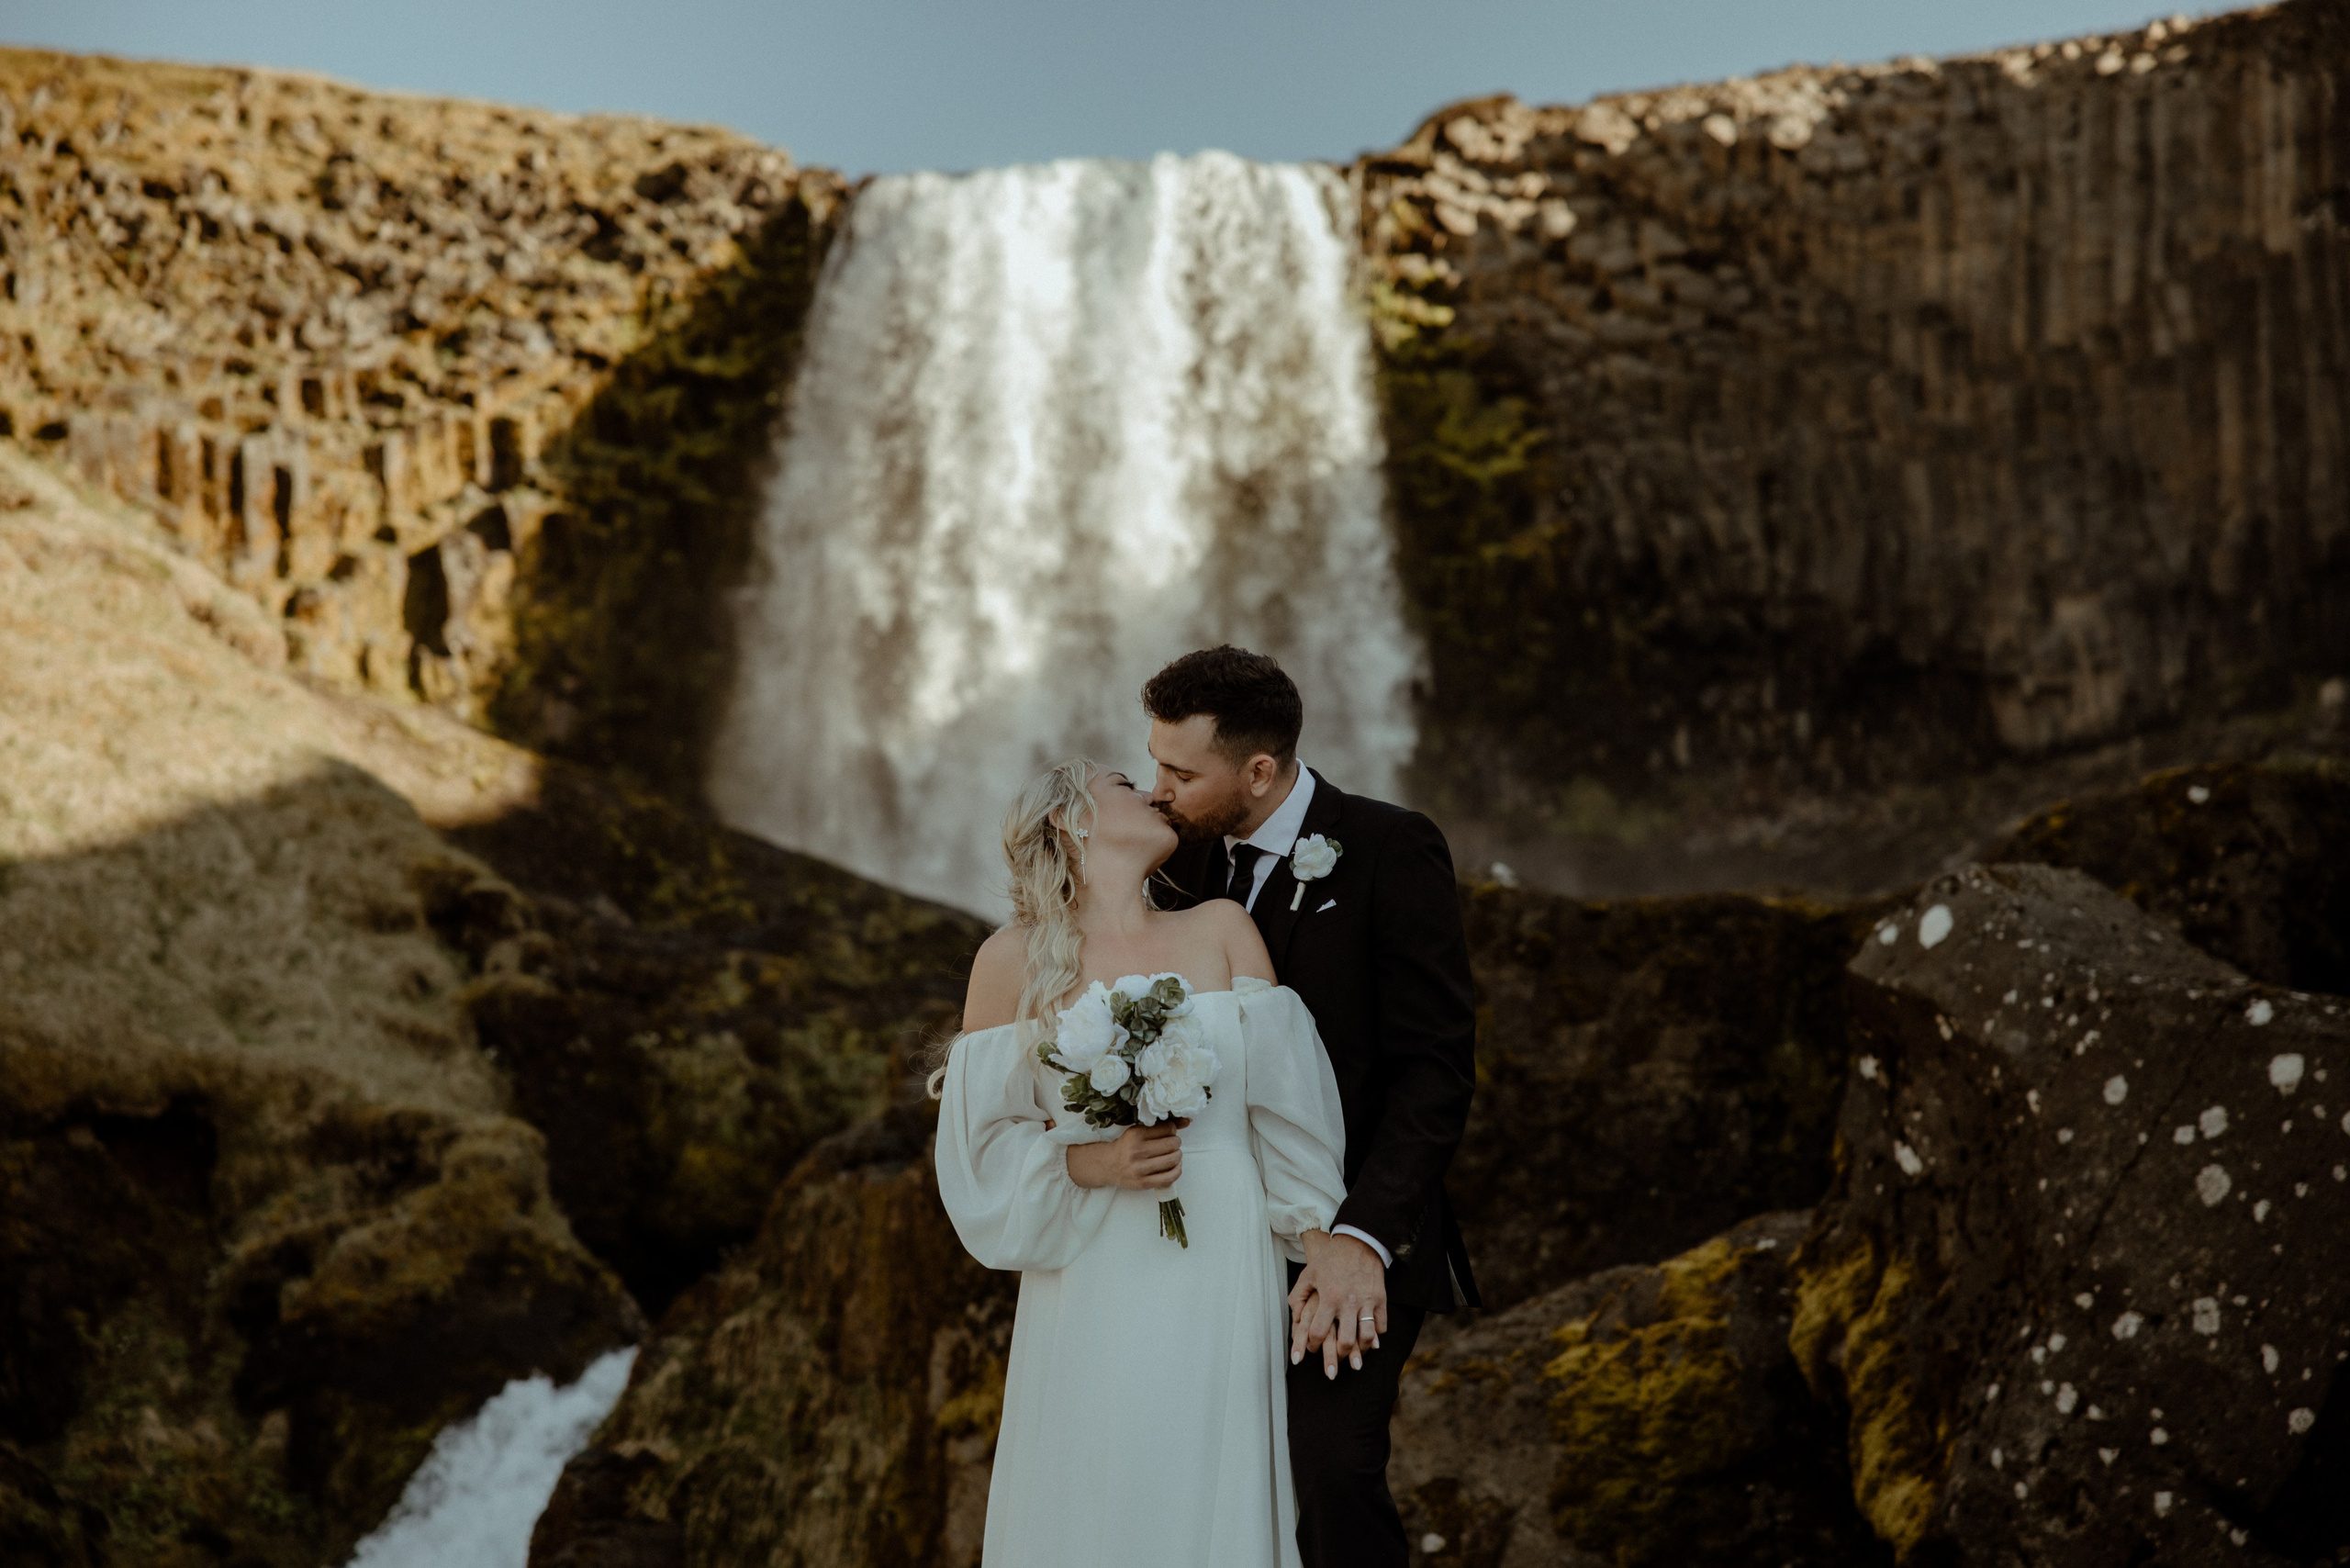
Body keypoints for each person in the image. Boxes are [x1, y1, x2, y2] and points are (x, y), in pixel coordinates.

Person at [932, 757, 1351, 1568]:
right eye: (1126, 782)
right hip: (1093, 1263)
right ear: (1069, 819)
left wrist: (1319, 1239)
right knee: (1097, 1472)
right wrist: (1093, 1162)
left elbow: (1288, 1108)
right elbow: (981, 1148)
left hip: (1223, 1251)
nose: (1156, 790)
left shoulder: (1223, 926)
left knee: (1208, 1466)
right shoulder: (1012, 961)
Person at [1145, 645, 1480, 1568]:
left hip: (1348, 1233)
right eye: (1154, 763)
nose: (1157, 789)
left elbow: (1435, 1066)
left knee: (1328, 1470)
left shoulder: (1387, 845)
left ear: (1259, 769)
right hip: (1203, 1232)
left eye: (1180, 770)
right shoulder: (1172, 859)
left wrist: (1358, 1235)